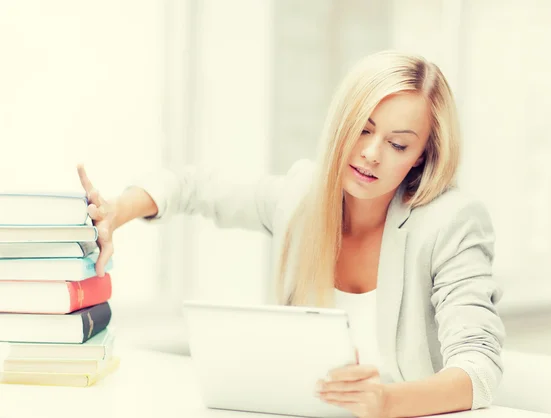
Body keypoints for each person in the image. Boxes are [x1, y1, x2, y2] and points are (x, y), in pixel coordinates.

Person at [77, 50, 505, 418]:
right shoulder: (304, 195)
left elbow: (479, 369)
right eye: (363, 128)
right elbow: (194, 188)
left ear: (421, 156)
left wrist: (386, 402)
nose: (371, 154)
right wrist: (117, 212)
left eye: (398, 145)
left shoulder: (451, 221)